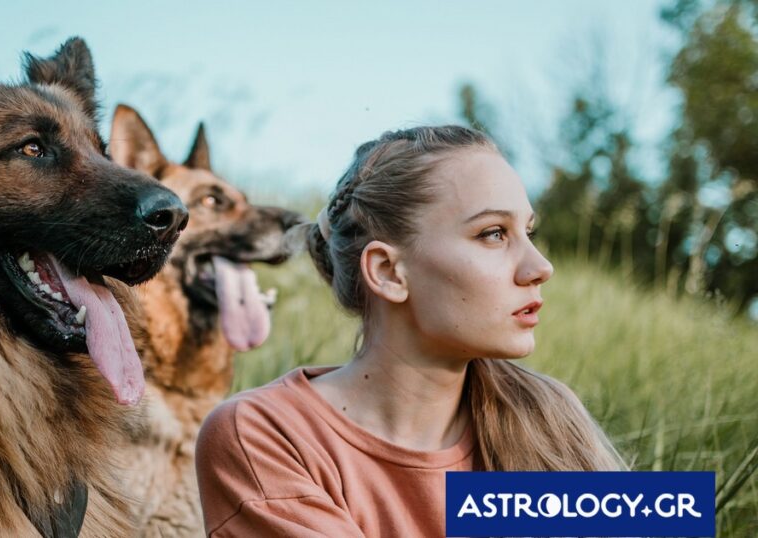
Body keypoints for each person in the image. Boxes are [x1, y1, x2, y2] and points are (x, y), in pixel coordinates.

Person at [194, 126, 625, 537]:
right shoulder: (265, 435)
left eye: (528, 232)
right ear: (388, 272)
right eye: (493, 233)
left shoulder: (549, 419)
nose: (540, 267)